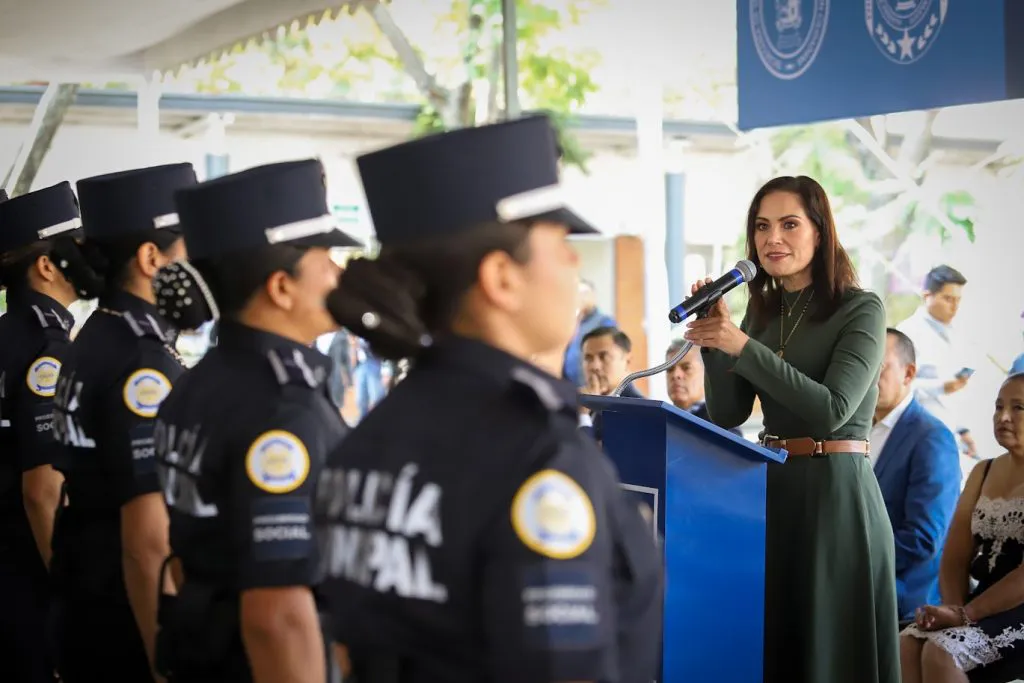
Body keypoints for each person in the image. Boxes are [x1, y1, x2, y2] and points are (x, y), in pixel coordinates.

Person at [321, 114, 663, 683]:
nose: (574, 263)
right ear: (502, 278)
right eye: (561, 243)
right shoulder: (539, 455)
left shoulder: (368, 439)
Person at [152, 159, 360, 683]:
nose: (338, 274)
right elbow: (278, 617)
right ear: (281, 287)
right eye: (326, 259)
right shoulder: (282, 411)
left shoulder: (197, 382)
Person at [685, 175, 899, 683]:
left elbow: (832, 410)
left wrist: (742, 347)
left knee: (831, 653)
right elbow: (728, 413)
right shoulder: (763, 314)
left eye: (789, 225)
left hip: (836, 495)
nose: (772, 239)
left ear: (820, 232)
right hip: (774, 491)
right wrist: (716, 341)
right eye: (762, 227)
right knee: (780, 650)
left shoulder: (860, 308)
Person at [48, 163, 197, 683]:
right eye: (190, 249)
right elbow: (147, 538)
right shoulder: (141, 363)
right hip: (125, 612)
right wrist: (163, 661)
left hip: (89, 596)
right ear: (152, 258)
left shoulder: (99, 333)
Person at [0, 182, 98, 683]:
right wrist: (68, 598)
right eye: (76, 248)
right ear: (45, 266)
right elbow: (41, 490)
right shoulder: (49, 347)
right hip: (26, 570)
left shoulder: (9, 331)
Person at [899, 374, 1024, 682]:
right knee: (908, 643)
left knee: (942, 652)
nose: (1003, 417)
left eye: (1018, 408)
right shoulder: (984, 471)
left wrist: (966, 615)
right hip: (981, 602)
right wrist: (954, 608)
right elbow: (955, 555)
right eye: (998, 407)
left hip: (1018, 608)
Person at [872, 328, 961, 626]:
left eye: (878, 367)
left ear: (908, 373)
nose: (867, 376)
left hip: (903, 601)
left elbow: (923, 538)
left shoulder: (931, 437)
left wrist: (849, 561)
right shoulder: (855, 431)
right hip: (856, 588)